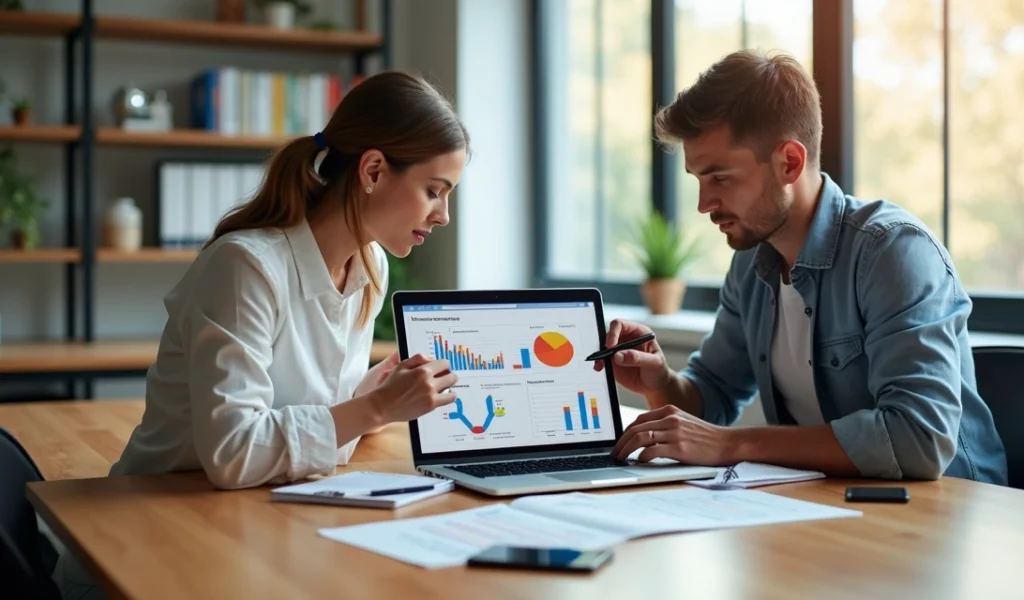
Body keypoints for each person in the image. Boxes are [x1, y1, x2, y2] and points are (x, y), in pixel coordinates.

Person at [602, 49, 1007, 484]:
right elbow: (712, 398)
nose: (704, 204)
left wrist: (734, 444)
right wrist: (660, 380)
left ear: (789, 163)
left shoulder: (892, 251)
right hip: (831, 503)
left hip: (951, 509)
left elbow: (919, 440)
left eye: (720, 178)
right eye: (698, 179)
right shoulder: (751, 264)